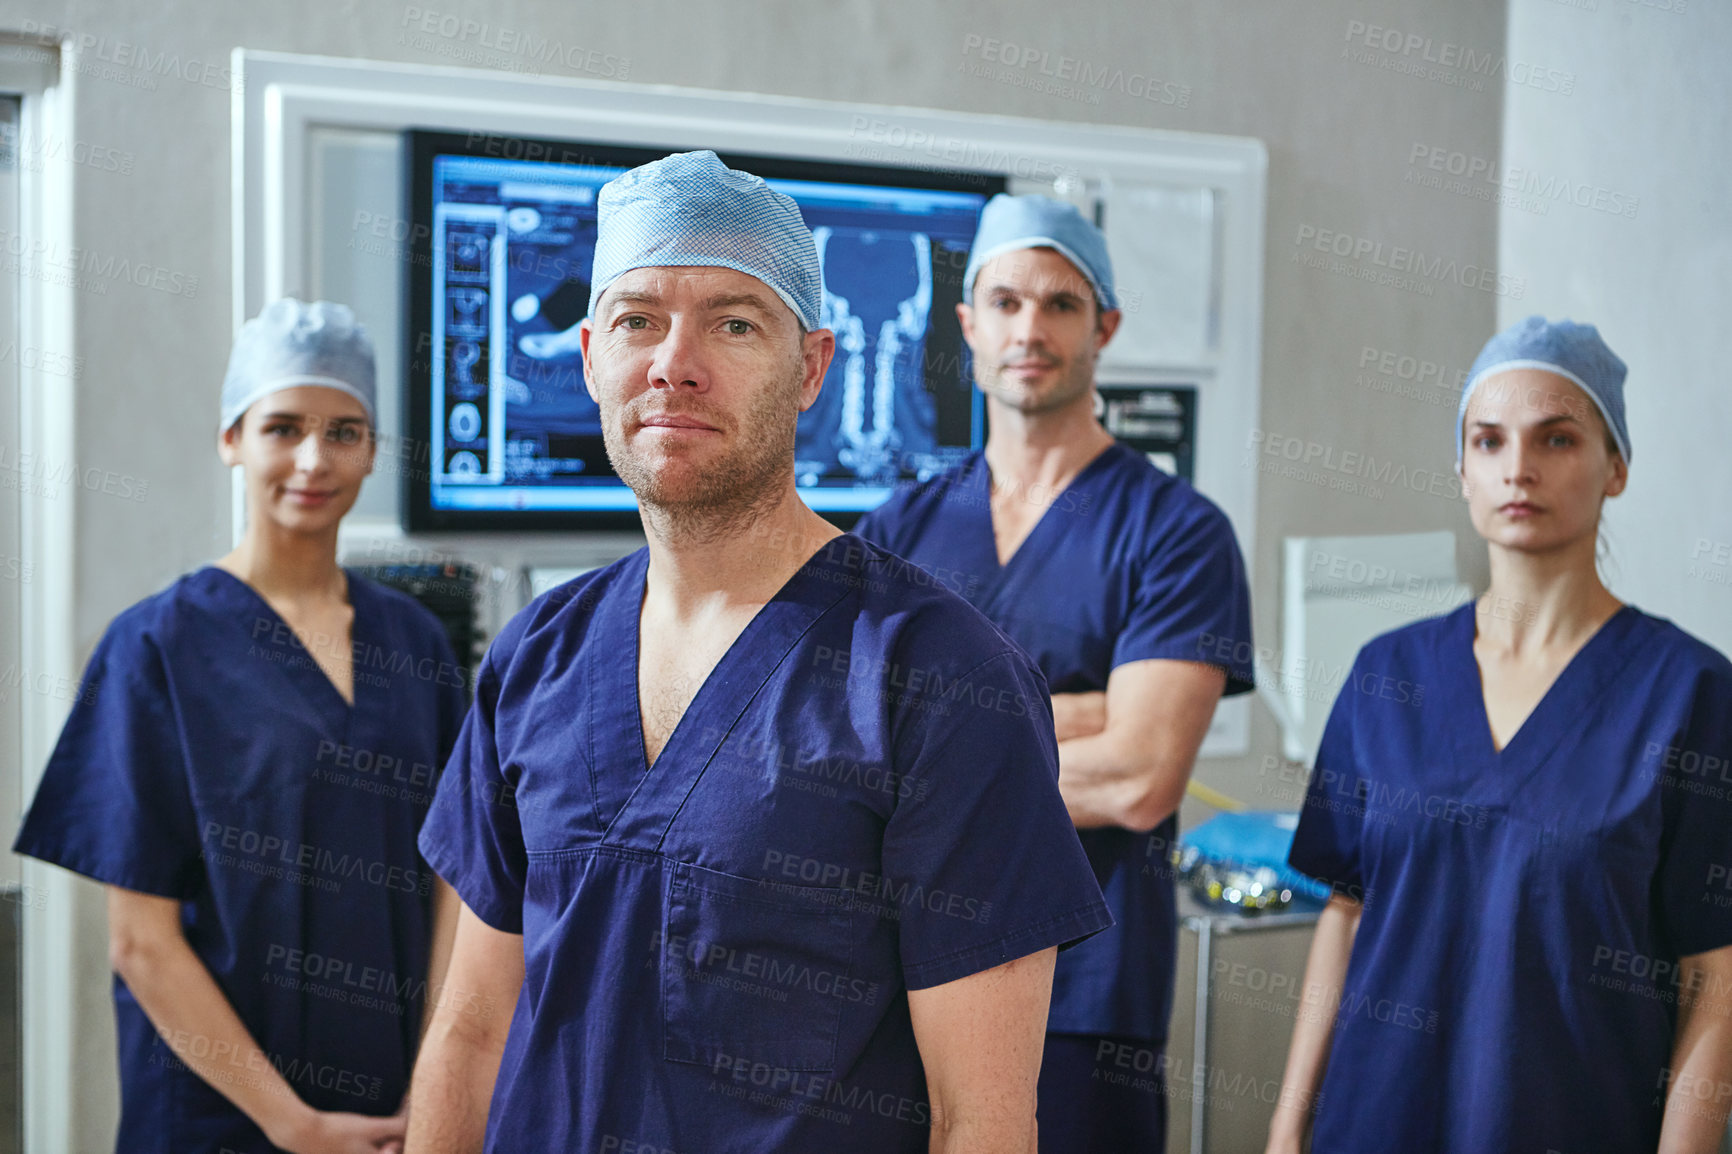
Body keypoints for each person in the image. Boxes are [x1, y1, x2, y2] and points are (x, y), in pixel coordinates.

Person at [402, 151, 1112, 1153]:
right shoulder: (537, 658)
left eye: (734, 323)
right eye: (637, 318)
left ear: (812, 366)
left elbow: (981, 1118)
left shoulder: (936, 676)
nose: (672, 362)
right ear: (591, 353)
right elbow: (472, 1032)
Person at [13, 299, 469, 1154]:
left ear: (372, 450)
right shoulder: (155, 645)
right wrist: (292, 1124)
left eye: (344, 431)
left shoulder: (413, 641)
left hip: (393, 1108)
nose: (312, 458)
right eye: (283, 427)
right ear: (233, 439)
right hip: (221, 1116)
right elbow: (140, 944)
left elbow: (454, 881)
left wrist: (433, 1084)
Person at [1267, 316, 1732, 1153]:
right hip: (1375, 1122)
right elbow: (1346, 910)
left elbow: (1715, 972)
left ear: (1615, 467)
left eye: (1557, 439)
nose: (1518, 467)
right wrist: (1287, 1126)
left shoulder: (1691, 692)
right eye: (1489, 442)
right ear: (1462, 470)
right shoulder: (1388, 674)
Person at [854, 193, 1255, 1153]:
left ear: (1103, 325)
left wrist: (935, 750)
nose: (1029, 328)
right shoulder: (897, 532)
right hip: (899, 976)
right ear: (968, 323)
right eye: (1005, 302)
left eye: (1061, 304)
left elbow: (1138, 777)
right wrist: (1074, 713)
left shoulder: (1177, 532)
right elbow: (841, 756)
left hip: (1087, 988)